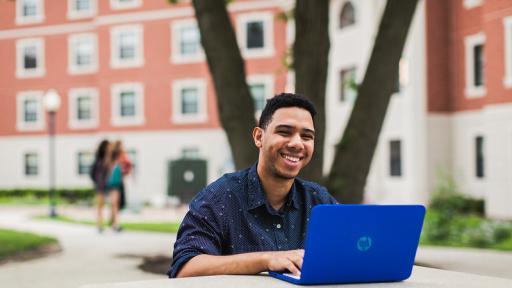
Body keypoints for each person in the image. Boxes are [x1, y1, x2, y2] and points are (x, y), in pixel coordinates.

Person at [168, 93, 337, 278]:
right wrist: (266, 260)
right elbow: (185, 268)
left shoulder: (320, 200)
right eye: (284, 132)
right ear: (259, 137)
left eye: (307, 136)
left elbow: (351, 254)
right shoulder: (219, 197)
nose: (297, 143)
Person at [90, 139, 111, 233]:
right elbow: (92, 172)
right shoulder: (98, 159)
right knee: (100, 205)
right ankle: (99, 224)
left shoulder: (109, 158)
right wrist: (96, 181)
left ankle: (112, 222)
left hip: (110, 185)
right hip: (100, 185)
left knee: (112, 204)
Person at [105, 141, 125, 232]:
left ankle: (113, 222)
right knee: (115, 204)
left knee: (114, 204)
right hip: (113, 185)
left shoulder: (117, 162)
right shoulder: (111, 162)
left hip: (116, 185)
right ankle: (115, 224)